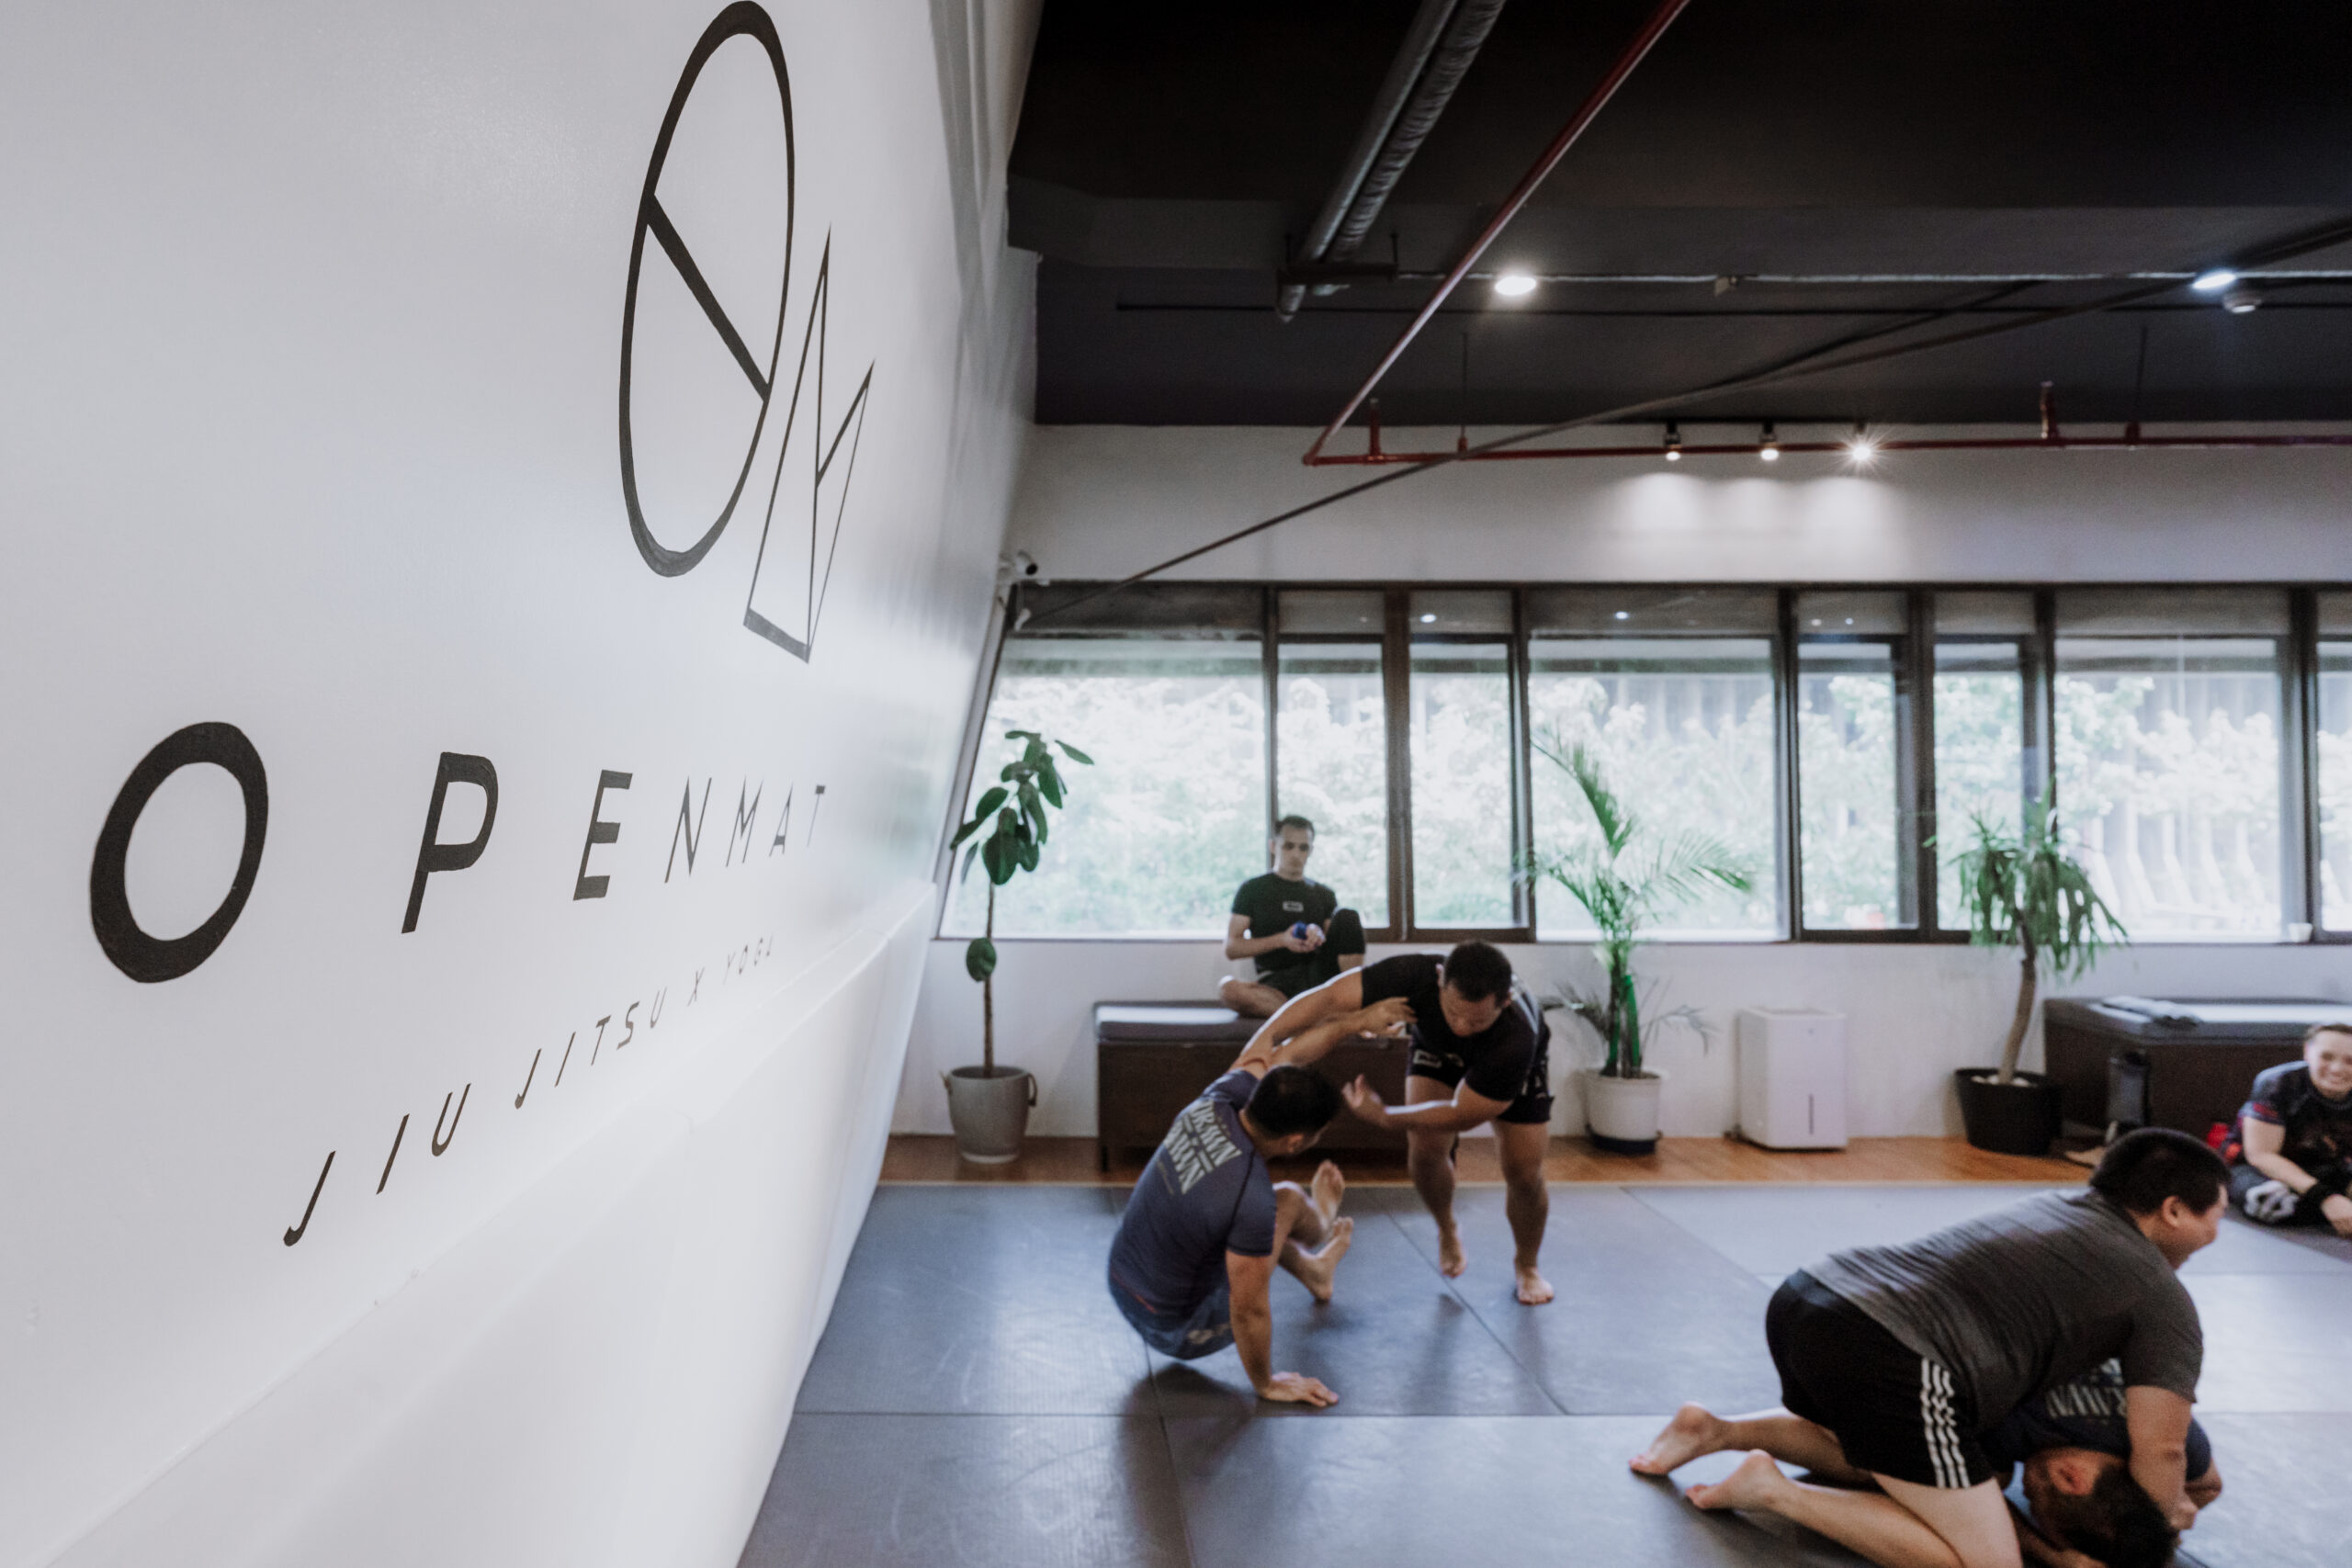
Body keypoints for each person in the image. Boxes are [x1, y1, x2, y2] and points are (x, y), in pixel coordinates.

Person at [1631, 1129, 2227, 1568]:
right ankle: (1775, 1490)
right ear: (2174, 1210)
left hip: (1808, 1298)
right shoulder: (2161, 1296)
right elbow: (2164, 1447)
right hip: (1892, 1350)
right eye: (2215, 1217)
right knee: (1989, 1562)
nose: (2216, 1234)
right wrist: (2150, 1542)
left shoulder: (2054, 1207)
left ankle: (1718, 1430)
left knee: (1901, 1457)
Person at [1105, 991, 1409, 1406]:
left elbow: (1279, 1043)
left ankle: (1315, 1272)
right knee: (1284, 1203)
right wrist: (1267, 1384)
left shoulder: (1218, 1098)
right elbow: (1248, 1310)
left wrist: (1353, 1022)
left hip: (1119, 1281)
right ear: (1296, 1141)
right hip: (1173, 1328)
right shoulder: (1248, 1196)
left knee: (1259, 1214)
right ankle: (1320, 1223)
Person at [1242, 941, 1557, 1305]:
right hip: (1438, 1052)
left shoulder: (1516, 1037)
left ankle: (1527, 1265)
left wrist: (1385, 1116)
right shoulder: (1414, 975)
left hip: (1511, 1069)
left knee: (1524, 1173)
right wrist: (1263, 1040)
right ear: (1440, 980)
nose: (1461, 1027)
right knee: (1425, 1152)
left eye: (1476, 1021)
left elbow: (1463, 1113)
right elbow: (1329, 997)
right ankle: (1447, 1227)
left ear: (1504, 1003)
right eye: (1453, 1012)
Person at [1987, 1360, 2223, 1568]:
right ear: (2069, 1475)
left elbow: (2209, 1487)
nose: (2025, 1493)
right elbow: (1983, 1504)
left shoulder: (2166, 1436)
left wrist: (2158, 1525)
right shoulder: (2007, 1419)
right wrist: (2046, 1552)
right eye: (2032, 1497)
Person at [1217, 815, 1365, 1019]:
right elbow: (1232, 948)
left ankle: (1348, 1003)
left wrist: (1316, 935)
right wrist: (1282, 940)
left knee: (1348, 916)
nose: (1296, 854)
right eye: (1288, 846)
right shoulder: (1252, 889)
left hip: (1320, 979)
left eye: (1303, 848)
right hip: (1276, 985)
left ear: (1310, 850)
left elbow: (1335, 946)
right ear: (1273, 846)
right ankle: (1314, 1017)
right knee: (1228, 988)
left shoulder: (1324, 894)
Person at [2227, 1021, 2352, 1237]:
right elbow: (2261, 1155)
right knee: (2271, 1202)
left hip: (2329, 1168)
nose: (2337, 1069)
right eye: (2327, 1057)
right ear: (2307, 1053)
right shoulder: (2277, 1083)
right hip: (2260, 1170)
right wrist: (2326, 1198)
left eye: (2350, 1061)